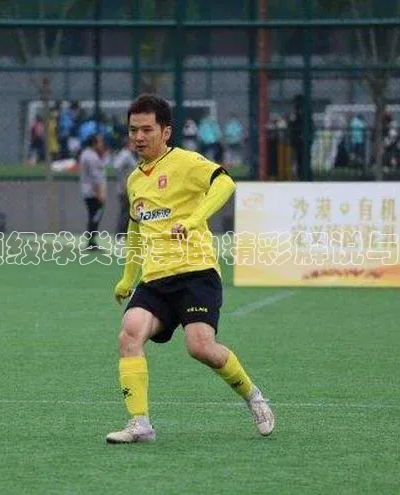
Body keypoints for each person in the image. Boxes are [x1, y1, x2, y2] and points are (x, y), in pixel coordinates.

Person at [106, 95, 274, 444]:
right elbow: (135, 231)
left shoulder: (185, 162)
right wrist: (127, 278)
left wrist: (195, 219)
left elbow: (225, 183)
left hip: (196, 273)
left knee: (200, 346)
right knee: (129, 333)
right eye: (133, 130)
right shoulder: (134, 180)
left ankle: (253, 395)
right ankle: (140, 423)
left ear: (166, 132)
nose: (139, 137)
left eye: (147, 130)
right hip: (155, 279)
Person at [79, 133, 107, 250]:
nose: (102, 144)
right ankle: (91, 242)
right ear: (94, 143)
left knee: (92, 216)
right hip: (94, 192)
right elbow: (96, 178)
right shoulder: (93, 158)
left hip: (86, 190)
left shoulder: (85, 154)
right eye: (100, 142)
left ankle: (91, 241)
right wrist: (99, 194)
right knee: (95, 217)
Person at [112, 139, 138, 237]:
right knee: (125, 213)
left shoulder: (131, 155)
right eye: (133, 143)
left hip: (130, 188)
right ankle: (119, 235)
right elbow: (116, 166)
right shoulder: (125, 154)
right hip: (124, 188)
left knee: (129, 213)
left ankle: (126, 234)